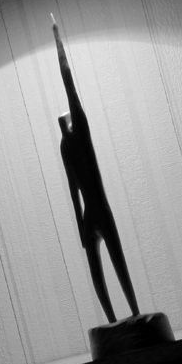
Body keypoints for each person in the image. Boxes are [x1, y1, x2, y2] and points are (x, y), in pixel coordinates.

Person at [53, 18, 139, 324]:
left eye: (67, 118)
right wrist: (80, 228)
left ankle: (132, 314)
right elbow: (72, 192)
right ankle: (115, 320)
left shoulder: (78, 136)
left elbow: (69, 86)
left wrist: (58, 41)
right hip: (94, 213)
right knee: (100, 270)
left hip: (96, 211)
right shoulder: (67, 145)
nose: (65, 120)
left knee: (114, 264)